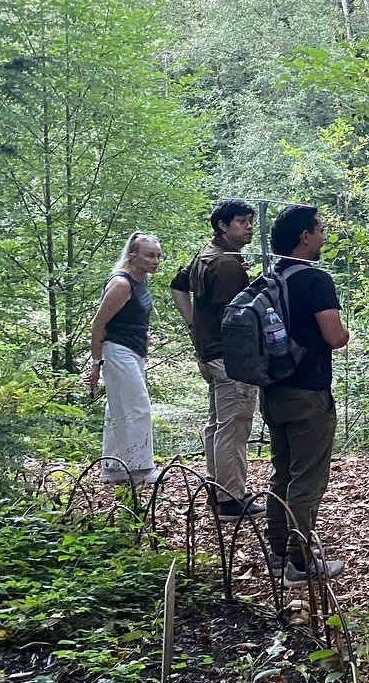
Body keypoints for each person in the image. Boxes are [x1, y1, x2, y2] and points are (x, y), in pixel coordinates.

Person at [262, 205, 351, 585]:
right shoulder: (315, 280)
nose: (323, 236)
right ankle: (300, 564)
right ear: (304, 237)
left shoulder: (269, 278)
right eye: (320, 229)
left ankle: (278, 553)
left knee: (281, 472)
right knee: (307, 479)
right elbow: (334, 336)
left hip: (272, 389)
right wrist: (344, 334)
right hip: (308, 392)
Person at [170, 199, 263, 517]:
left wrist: (194, 325)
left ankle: (219, 490)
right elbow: (236, 318)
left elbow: (178, 285)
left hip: (211, 354)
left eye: (250, 220)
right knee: (233, 427)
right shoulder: (224, 264)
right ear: (223, 226)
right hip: (228, 358)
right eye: (241, 221)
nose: (249, 227)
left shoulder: (209, 254)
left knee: (219, 425)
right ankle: (231, 499)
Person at [86, 232, 164, 485]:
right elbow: (98, 325)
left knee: (118, 408)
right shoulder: (121, 284)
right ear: (132, 255)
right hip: (118, 351)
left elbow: (131, 317)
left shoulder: (141, 280)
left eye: (158, 256)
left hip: (134, 349)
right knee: (138, 406)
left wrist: (143, 334)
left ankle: (113, 467)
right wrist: (96, 363)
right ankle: (141, 468)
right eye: (149, 255)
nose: (155, 261)